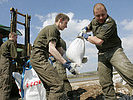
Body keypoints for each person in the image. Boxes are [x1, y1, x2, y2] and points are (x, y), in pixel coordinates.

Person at [80, 3, 133, 100]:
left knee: (129, 73)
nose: (100, 17)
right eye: (97, 16)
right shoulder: (94, 21)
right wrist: (85, 29)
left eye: (103, 15)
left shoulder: (110, 22)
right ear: (94, 15)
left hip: (114, 51)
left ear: (106, 12)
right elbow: (90, 26)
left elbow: (98, 41)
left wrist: (85, 36)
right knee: (105, 81)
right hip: (102, 54)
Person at [30, 13, 78, 100]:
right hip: (38, 58)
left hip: (40, 58)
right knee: (57, 85)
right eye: (66, 23)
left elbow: (61, 51)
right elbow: (51, 49)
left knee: (50, 86)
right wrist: (65, 63)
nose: (66, 26)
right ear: (60, 20)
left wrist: (72, 62)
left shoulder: (57, 34)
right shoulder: (52, 29)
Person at [0, 32, 17, 100]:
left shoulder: (3, 44)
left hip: (2, 65)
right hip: (6, 65)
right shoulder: (10, 43)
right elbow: (14, 55)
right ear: (13, 36)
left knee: (2, 84)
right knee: (6, 85)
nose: (16, 39)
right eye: (16, 37)